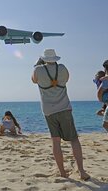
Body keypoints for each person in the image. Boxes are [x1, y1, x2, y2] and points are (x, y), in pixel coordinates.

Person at [32, 49, 89, 180]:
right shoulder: (62, 68)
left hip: (48, 111)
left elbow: (34, 80)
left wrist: (37, 66)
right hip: (64, 108)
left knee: (56, 141)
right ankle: (81, 171)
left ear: (44, 59)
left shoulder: (38, 70)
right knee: (74, 139)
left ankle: (62, 172)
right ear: (55, 59)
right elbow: (66, 79)